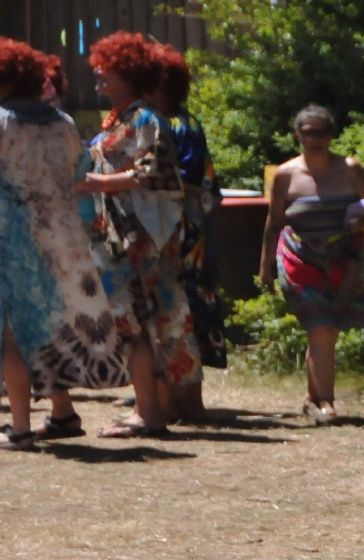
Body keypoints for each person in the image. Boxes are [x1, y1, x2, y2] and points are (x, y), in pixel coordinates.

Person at [0, 41, 127, 449]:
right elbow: (78, 172)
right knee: (51, 323)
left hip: (12, 235)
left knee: (12, 332)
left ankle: (19, 428)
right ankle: (62, 412)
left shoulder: (2, 122)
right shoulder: (65, 122)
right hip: (62, 237)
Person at [82, 31, 195, 438]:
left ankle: (149, 413)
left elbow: (158, 172)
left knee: (137, 321)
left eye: (105, 73)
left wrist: (98, 182)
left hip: (140, 238)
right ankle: (149, 408)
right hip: (120, 236)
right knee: (133, 322)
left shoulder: (146, 118)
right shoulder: (122, 118)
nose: (98, 80)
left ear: (129, 75)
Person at [259, 105, 364, 424]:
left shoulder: (351, 168)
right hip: (299, 258)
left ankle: (313, 398)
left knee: (327, 331)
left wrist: (360, 223)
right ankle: (327, 403)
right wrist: (265, 267)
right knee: (321, 326)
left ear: (332, 135)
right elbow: (273, 223)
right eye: (309, 132)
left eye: (322, 132)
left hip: (343, 258)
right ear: (297, 135)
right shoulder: (285, 175)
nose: (316, 139)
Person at [150, 45, 225, 421]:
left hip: (181, 233)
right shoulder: (169, 121)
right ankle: (175, 398)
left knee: (183, 311)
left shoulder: (179, 126)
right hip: (179, 229)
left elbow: (186, 184)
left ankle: (186, 400)